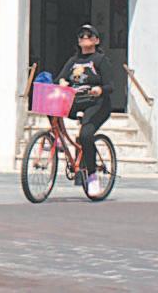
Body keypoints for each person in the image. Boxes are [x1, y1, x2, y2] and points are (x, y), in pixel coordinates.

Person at [55, 24, 114, 197]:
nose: (84, 38)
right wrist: (62, 82)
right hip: (76, 101)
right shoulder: (73, 61)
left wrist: (100, 89)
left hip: (96, 103)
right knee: (50, 105)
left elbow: (111, 86)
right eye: (81, 35)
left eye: (89, 35)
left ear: (97, 40)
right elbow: (60, 78)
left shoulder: (100, 60)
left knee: (86, 135)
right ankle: (57, 138)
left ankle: (92, 176)